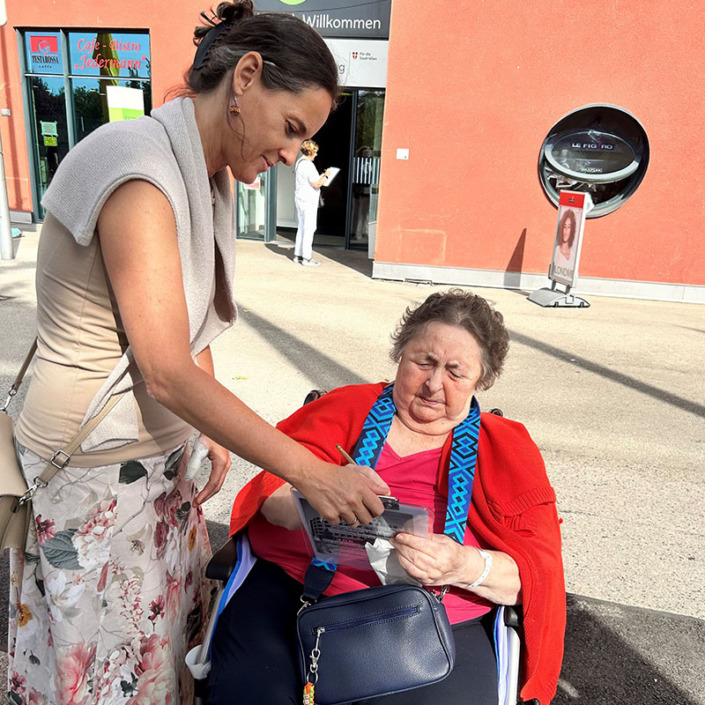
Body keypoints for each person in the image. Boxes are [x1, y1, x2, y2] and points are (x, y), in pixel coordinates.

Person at [8, 2, 388, 703]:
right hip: (94, 473)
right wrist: (310, 472)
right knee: (102, 682)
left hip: (153, 472)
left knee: (157, 666)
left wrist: (209, 434)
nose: (289, 154)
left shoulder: (203, 173)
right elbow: (163, 365)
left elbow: (187, 325)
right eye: (292, 129)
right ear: (246, 77)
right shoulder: (140, 170)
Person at [209, 289, 566, 705]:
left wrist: (462, 564)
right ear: (400, 355)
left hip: (435, 622)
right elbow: (269, 496)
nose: (434, 384)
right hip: (295, 592)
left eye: (455, 372)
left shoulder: (505, 448)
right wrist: (316, 494)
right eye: (423, 362)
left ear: (481, 380)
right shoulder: (343, 408)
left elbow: (535, 576)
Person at [294, 139, 330, 266]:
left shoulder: (299, 163)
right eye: (315, 152)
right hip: (308, 200)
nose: (316, 155)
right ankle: (307, 258)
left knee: (302, 226)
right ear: (310, 152)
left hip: (300, 198)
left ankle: (298, 255)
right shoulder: (309, 165)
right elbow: (316, 184)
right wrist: (326, 175)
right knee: (309, 228)